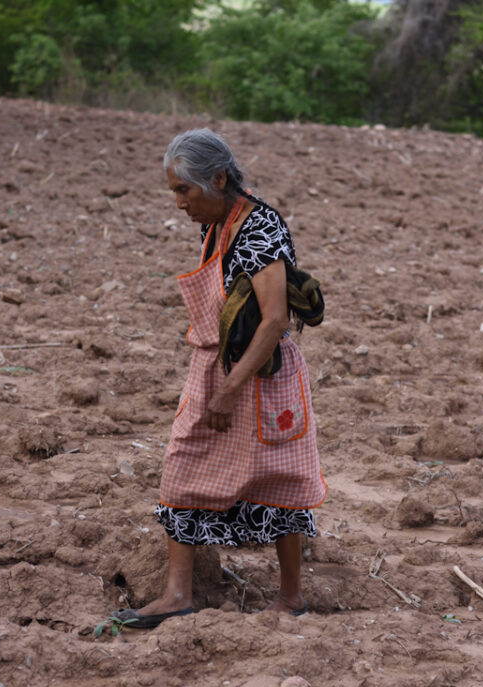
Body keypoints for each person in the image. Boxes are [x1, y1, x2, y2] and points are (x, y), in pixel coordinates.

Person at [112, 128, 326, 628]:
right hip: (219, 367)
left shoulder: (260, 227)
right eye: (175, 193)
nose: (180, 204)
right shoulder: (218, 223)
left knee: (281, 481)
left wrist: (230, 390)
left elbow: (273, 321)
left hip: (260, 374)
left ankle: (291, 598)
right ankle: (177, 594)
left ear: (219, 178)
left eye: (184, 191)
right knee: (183, 465)